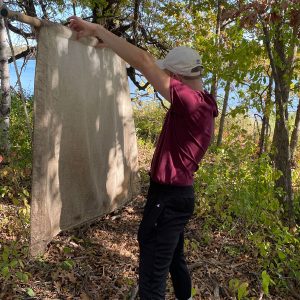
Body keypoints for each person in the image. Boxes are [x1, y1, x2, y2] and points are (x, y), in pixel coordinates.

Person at [68, 16, 218, 300]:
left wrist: (99, 29)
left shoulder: (190, 103)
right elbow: (143, 62)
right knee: (174, 259)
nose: (167, 81)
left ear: (179, 78)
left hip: (169, 199)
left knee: (152, 276)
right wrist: (111, 46)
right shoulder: (205, 101)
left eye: (170, 76)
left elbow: (145, 61)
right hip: (179, 196)